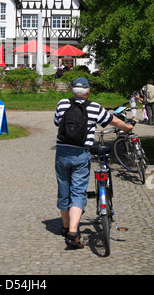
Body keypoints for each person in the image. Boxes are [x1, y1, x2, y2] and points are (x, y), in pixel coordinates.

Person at [54, 77, 133, 249]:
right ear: (88, 91)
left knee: (64, 187)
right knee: (78, 190)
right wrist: (126, 127)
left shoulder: (62, 104)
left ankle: (65, 226)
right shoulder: (94, 107)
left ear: (73, 91)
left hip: (61, 153)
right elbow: (113, 121)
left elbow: (56, 122)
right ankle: (73, 232)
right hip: (81, 153)